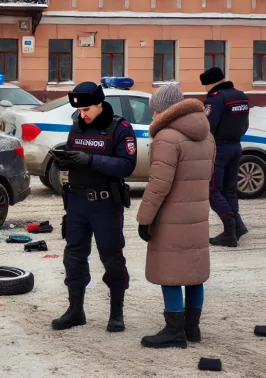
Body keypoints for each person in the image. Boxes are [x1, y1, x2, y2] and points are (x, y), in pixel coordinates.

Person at [52, 82, 137, 333]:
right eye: (80, 110)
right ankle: (75, 311)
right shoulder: (77, 125)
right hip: (77, 202)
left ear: (100, 104)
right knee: (74, 256)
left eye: (87, 109)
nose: (83, 114)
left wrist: (91, 160)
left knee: (111, 256)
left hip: (105, 204)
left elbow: (126, 166)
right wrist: (62, 161)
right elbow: (71, 154)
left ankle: (116, 313)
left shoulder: (120, 128)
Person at [136, 85, 215, 349]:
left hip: (171, 216)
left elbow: (159, 184)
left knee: (169, 270)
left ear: (163, 109)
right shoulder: (207, 135)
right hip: (197, 215)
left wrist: (145, 218)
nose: (152, 115)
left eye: (154, 110)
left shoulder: (167, 137)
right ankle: (192, 328)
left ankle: (174, 331)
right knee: (193, 271)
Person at [201, 67, 250, 247]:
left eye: (205, 85)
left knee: (213, 191)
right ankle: (238, 225)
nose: (205, 89)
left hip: (219, 149)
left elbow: (207, 126)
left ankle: (229, 231)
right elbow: (245, 124)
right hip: (236, 147)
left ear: (211, 83)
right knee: (229, 189)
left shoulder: (215, 99)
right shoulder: (241, 95)